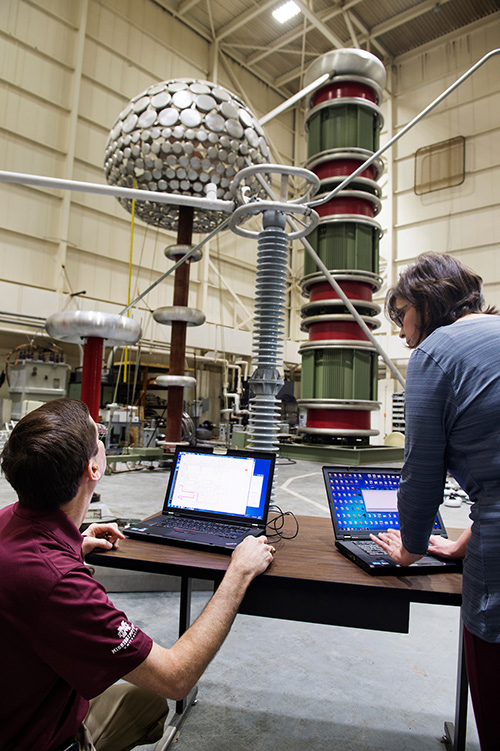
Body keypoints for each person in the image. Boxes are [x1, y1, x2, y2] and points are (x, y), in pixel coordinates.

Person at [0, 398, 275, 751]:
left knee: (142, 701)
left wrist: (73, 544)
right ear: (93, 469)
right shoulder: (62, 586)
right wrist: (238, 571)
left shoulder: (9, 519)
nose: (102, 437)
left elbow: (32, 569)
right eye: (97, 433)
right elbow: (176, 676)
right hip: (33, 738)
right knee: (151, 699)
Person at [371, 251, 500, 751]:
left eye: (402, 315)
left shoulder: (435, 351)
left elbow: (421, 470)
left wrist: (412, 546)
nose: (403, 333)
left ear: (426, 301)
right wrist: (466, 541)